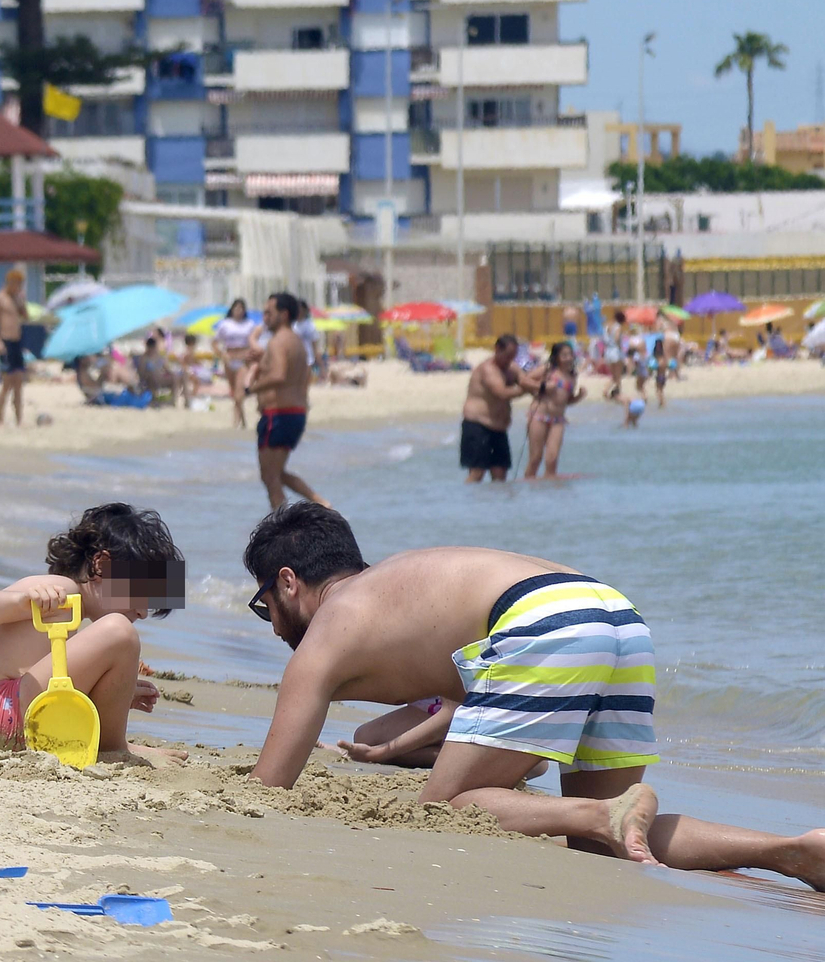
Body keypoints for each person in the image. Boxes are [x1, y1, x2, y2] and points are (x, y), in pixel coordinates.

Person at [240, 503, 825, 889]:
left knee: (444, 810)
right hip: (614, 613)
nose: (272, 626)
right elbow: (469, 701)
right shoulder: (396, 590)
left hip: (539, 622)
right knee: (602, 850)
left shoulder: (332, 624)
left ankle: (603, 813)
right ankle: (789, 849)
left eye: (266, 605)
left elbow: (268, 786)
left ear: (288, 581)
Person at [0, 503, 186, 765]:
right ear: (102, 565)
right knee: (120, 632)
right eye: (140, 595)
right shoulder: (60, 589)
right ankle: (114, 748)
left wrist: (117, 693)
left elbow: (54, 686)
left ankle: (114, 741)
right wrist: (22, 601)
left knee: (113, 637)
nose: (142, 613)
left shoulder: (67, 610)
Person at [250, 293, 329, 510]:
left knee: (269, 477)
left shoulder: (278, 342)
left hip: (278, 414)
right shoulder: (297, 343)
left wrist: (251, 389)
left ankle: (281, 525)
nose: (264, 317)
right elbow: (302, 377)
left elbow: (278, 375)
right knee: (278, 473)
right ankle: (321, 503)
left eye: (269, 313)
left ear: (283, 315)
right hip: (295, 412)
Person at [461, 334, 534, 484]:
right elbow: (501, 393)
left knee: (500, 475)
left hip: (499, 429)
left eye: (513, 357)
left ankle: (497, 506)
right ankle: (470, 504)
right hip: (478, 425)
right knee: (477, 473)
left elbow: (525, 381)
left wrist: (541, 385)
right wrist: (524, 390)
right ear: (497, 349)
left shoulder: (511, 367)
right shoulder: (488, 369)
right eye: (507, 356)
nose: (509, 360)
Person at [525, 341, 585, 479]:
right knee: (535, 457)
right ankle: (528, 487)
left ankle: (550, 494)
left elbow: (566, 401)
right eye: (564, 355)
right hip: (539, 415)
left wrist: (579, 397)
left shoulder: (572, 376)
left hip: (558, 419)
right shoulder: (548, 370)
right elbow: (525, 381)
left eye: (570, 355)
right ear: (557, 356)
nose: (568, 358)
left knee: (552, 459)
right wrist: (542, 387)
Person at [0, 269, 29, 427]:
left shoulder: (17, 299)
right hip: (5, 342)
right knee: (7, 383)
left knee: (19, 383)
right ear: (10, 283)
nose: (18, 287)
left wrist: (22, 303)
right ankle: (0, 420)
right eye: (16, 284)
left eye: (20, 285)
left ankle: (19, 420)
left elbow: (26, 317)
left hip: (17, 342)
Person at [212, 300, 257, 430]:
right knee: (234, 393)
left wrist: (251, 355)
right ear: (232, 310)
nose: (239, 311)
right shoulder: (225, 324)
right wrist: (221, 354)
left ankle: (235, 423)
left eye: (241, 308)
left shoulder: (249, 324)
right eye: (237, 308)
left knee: (239, 391)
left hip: (243, 358)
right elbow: (215, 343)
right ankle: (242, 421)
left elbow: (254, 341)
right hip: (229, 358)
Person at [603, 310, 626, 399]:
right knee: (618, 375)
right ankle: (613, 391)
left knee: (613, 375)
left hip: (607, 351)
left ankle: (612, 392)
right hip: (616, 351)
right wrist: (620, 346)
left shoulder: (607, 326)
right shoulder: (618, 327)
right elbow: (617, 339)